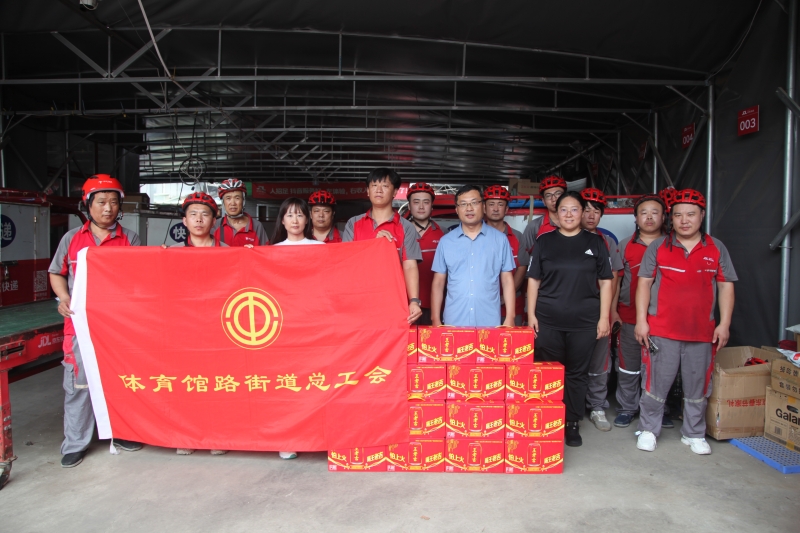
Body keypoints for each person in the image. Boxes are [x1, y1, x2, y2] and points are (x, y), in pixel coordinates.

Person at [48, 174, 144, 468]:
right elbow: (56, 273)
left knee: (122, 379)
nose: (108, 208)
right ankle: (75, 444)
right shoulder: (71, 239)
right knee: (79, 384)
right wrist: (64, 298)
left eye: (113, 202)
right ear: (88, 205)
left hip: (118, 325)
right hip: (80, 325)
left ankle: (122, 433)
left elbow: (139, 277)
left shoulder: (130, 239)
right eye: (101, 202)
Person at [634, 189, 737, 455]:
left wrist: (724, 324)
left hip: (702, 332)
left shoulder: (716, 248)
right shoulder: (659, 247)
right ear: (672, 219)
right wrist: (641, 321)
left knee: (698, 386)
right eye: (678, 215)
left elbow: (725, 286)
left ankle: (693, 433)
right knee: (655, 384)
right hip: (662, 330)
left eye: (691, 214)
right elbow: (644, 284)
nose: (684, 220)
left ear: (702, 215)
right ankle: (648, 430)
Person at [527, 191, 614, 447]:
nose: (568, 214)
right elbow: (533, 280)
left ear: (583, 212)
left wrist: (604, 318)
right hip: (548, 319)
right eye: (563, 209)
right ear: (556, 212)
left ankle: (572, 422)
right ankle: (548, 419)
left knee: (577, 373)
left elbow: (606, 282)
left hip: (584, 321)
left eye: (574, 209)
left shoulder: (595, 242)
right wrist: (531, 315)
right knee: (549, 371)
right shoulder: (544, 241)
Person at [611, 195, 668, 429]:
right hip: (629, 316)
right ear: (635, 218)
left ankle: (658, 410)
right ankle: (627, 408)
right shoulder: (625, 245)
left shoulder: (672, 244)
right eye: (644, 213)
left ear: (664, 217)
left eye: (655, 212)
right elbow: (615, 281)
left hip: (663, 320)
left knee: (659, 369)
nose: (649, 217)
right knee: (628, 366)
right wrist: (613, 311)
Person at [272, 197, 322, 459]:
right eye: (289, 215)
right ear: (282, 220)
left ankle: (316, 435)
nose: (295, 220)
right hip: (282, 328)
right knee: (287, 384)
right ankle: (288, 440)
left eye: (300, 215)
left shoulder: (320, 248)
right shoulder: (271, 252)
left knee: (314, 382)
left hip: (313, 325)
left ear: (307, 220)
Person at [342, 168, 423, 324]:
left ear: (395, 192)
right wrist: (375, 245)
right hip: (358, 301)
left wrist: (414, 300)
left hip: (392, 301)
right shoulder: (354, 223)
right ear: (367, 191)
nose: (378, 190)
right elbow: (346, 262)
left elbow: (410, 266)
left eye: (385, 186)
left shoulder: (406, 227)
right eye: (374, 185)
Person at [430, 185, 516, 328]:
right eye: (463, 204)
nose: (469, 208)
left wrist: (510, 317)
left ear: (483, 207)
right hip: (454, 322)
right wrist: (435, 319)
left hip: (489, 322)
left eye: (474, 203)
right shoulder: (446, 242)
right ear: (457, 210)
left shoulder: (500, 240)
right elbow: (438, 283)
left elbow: (507, 280)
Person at [578, 188, 624, 432]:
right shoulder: (562, 238)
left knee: (599, 361)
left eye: (596, 211)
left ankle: (597, 405)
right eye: (586, 210)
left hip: (599, 310)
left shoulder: (607, 241)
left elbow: (614, 279)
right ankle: (570, 406)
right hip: (571, 310)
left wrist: (610, 312)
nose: (591, 215)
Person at [483, 185, 528, 325]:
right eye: (491, 204)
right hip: (482, 307)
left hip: (511, 307)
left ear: (507, 209)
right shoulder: (475, 236)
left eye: (500, 204)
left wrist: (505, 296)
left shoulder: (517, 237)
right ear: (484, 208)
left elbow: (522, 268)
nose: (496, 209)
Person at [407, 182, 445, 325]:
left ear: (432, 206)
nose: (421, 207)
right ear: (409, 206)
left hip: (436, 306)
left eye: (426, 202)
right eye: (416, 202)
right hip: (406, 305)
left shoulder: (444, 234)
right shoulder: (399, 232)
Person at [519, 175, 567, 255]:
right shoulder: (534, 226)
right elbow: (523, 256)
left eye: (558, 194)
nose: (554, 199)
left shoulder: (577, 223)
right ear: (544, 201)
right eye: (548, 196)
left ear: (566, 197)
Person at [213, 179, 269, 246]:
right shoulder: (214, 226)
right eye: (228, 198)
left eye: (237, 198)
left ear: (243, 200)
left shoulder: (256, 226)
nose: (233, 203)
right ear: (223, 202)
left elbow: (265, 251)